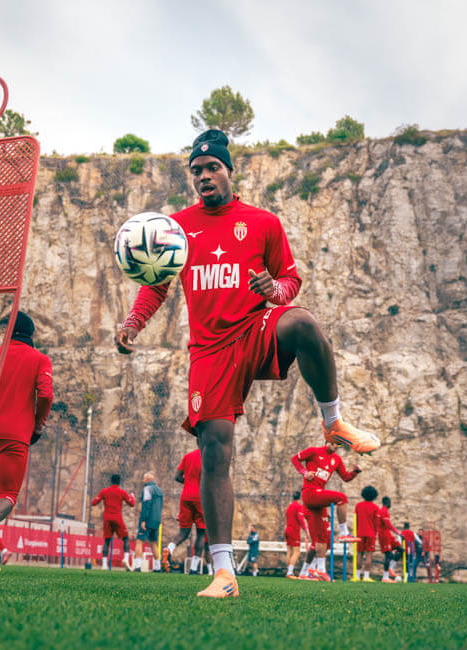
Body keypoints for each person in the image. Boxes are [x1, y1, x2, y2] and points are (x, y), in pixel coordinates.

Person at [115, 129, 382, 598]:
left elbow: (290, 280)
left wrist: (272, 291)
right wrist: (133, 323)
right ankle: (224, 573)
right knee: (215, 452)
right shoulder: (175, 228)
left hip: (255, 329)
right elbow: (156, 283)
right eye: (196, 171)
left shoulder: (262, 222)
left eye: (212, 168)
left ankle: (334, 422)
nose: (203, 176)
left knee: (303, 323)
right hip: (209, 351)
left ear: (228, 171)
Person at [0, 311, 54, 571]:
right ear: (31, 334)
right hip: (15, 435)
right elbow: (46, 395)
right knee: (8, 496)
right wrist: (38, 424)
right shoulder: (39, 359)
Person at [292, 441, 360, 581]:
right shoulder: (314, 451)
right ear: (327, 440)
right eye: (334, 443)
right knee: (341, 498)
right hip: (310, 493)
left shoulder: (336, 459)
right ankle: (344, 532)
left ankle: (320, 570)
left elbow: (346, 477)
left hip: (318, 500)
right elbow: (295, 459)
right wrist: (304, 472)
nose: (336, 446)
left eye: (338, 445)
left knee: (322, 539)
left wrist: (355, 472)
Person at [162, 448, 207, 574]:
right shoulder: (208, 455)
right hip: (201, 497)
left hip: (186, 496)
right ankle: (193, 568)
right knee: (201, 533)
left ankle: (169, 549)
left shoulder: (188, 456)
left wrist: (188, 482)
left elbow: (177, 477)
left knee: (183, 532)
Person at [91, 474, 135, 570]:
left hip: (107, 518)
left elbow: (93, 503)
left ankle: (104, 565)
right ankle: (126, 559)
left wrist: (97, 498)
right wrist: (132, 496)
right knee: (125, 538)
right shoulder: (122, 492)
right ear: (119, 482)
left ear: (111, 481)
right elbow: (132, 504)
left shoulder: (104, 491)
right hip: (117, 518)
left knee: (107, 541)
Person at [135, 471, 164, 571]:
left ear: (147, 480)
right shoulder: (160, 490)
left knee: (139, 541)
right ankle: (157, 567)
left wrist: (143, 520)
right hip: (156, 520)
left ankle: (138, 566)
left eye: (144, 478)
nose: (143, 480)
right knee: (153, 543)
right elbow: (161, 506)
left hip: (147, 519)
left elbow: (146, 505)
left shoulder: (147, 489)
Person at [353, 486, 380, 582]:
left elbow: (355, 519)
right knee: (369, 555)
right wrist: (376, 533)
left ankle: (357, 576)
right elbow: (376, 523)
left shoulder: (358, 506)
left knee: (359, 554)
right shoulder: (375, 507)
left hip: (360, 533)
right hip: (371, 533)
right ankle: (366, 576)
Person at [283, 490, 310, 579]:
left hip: (287, 529)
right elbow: (300, 519)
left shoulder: (289, 506)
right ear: (301, 497)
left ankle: (288, 571)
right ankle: (290, 572)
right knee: (297, 552)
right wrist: (306, 530)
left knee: (289, 551)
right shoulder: (298, 506)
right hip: (294, 530)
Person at [377, 496, 403, 582]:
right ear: (387, 502)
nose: (390, 504)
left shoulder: (384, 511)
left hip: (388, 535)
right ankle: (385, 577)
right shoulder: (383, 511)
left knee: (401, 550)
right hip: (384, 536)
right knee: (388, 555)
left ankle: (390, 568)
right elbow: (388, 525)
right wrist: (398, 533)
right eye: (390, 502)